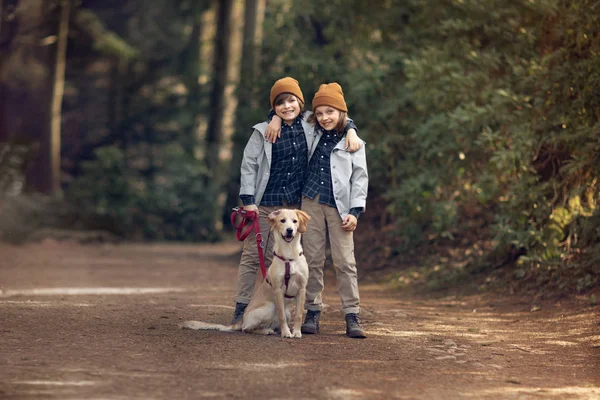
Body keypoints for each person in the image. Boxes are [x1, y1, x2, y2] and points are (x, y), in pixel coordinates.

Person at [231, 77, 361, 324]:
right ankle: (242, 308)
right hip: (263, 202)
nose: (287, 106)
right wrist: (248, 199)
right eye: (280, 104)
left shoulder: (311, 124)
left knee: (288, 260)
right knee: (253, 257)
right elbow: (249, 165)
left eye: (292, 101)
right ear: (273, 107)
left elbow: (335, 116)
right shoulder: (263, 131)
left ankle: (286, 312)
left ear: (300, 102)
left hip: (295, 205)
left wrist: (352, 128)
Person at [299, 83, 369, 339]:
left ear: (341, 111)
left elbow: (360, 179)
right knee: (313, 258)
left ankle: (352, 314)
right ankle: (312, 311)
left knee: (344, 262)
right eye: (320, 113)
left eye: (330, 111)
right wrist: (273, 119)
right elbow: (290, 114)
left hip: (340, 207)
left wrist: (355, 211)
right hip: (310, 202)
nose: (325, 117)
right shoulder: (311, 131)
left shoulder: (353, 142)